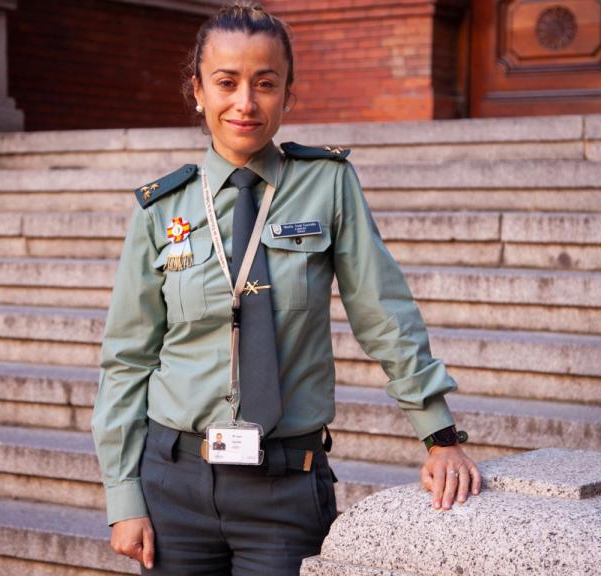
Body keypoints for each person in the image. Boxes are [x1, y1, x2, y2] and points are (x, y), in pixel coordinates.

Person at [90, 2, 481, 574]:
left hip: (284, 486)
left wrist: (439, 435)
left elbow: (383, 312)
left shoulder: (327, 185)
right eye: (226, 82)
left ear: (288, 95)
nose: (245, 102)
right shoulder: (162, 208)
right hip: (173, 484)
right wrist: (123, 495)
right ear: (197, 90)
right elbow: (127, 357)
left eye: (265, 83)